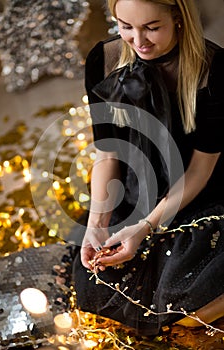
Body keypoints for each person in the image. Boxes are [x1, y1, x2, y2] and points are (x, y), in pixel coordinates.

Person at [73, 0, 224, 336]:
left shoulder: (216, 69)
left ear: (179, 18)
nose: (138, 40)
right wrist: (97, 222)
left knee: (184, 307)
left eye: (152, 27)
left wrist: (145, 227)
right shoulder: (103, 60)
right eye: (125, 26)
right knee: (94, 288)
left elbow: (201, 170)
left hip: (198, 192)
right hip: (136, 187)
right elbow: (107, 153)